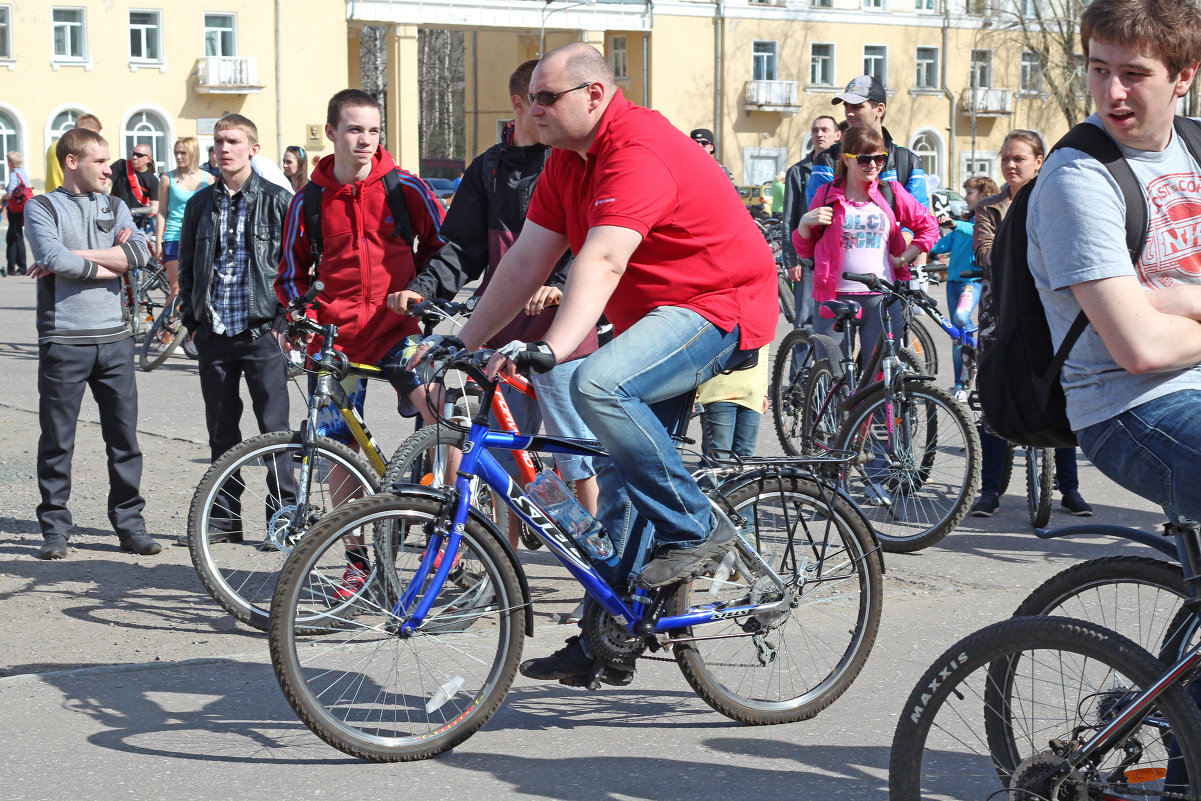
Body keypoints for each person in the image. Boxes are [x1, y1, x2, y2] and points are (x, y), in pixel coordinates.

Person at [447, 43, 776, 685]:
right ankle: (611, 636)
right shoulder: (568, 163)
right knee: (621, 481)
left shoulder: (636, 149)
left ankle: (693, 528)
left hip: (717, 304)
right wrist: (464, 345)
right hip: (657, 319)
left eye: (547, 98)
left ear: (593, 95)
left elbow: (601, 261)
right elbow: (523, 264)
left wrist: (555, 346)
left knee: (595, 383)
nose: (532, 109)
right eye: (531, 99)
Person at [395, 59, 602, 552]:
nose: (545, 111)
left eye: (551, 100)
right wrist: (422, 288)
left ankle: (598, 565)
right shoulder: (488, 168)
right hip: (501, 334)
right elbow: (461, 248)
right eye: (539, 101)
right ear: (520, 104)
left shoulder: (570, 162)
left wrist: (558, 283)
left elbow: (593, 242)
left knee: (576, 455)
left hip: (565, 333)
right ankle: (506, 568)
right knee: (503, 459)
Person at [1023, 0, 1201, 528]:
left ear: (1183, 77)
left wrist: (1183, 304)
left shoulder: (1195, 147)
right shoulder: (1079, 178)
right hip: (1134, 409)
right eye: (1100, 70)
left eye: (1134, 74)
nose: (1112, 93)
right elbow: (1140, 348)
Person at [277, 89, 446, 596]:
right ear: (331, 133)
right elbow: (290, 274)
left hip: (397, 333)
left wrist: (420, 292)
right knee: (338, 450)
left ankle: (447, 537)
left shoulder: (406, 188)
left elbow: (442, 249)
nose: (365, 140)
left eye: (373, 130)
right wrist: (302, 316)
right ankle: (358, 563)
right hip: (337, 341)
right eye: (354, 129)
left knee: (443, 415)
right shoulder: (308, 199)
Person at [23, 127, 159, 559]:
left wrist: (76, 257)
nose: (110, 169)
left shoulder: (115, 204)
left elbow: (140, 255)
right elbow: (52, 257)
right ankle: (55, 530)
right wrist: (107, 260)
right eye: (100, 162)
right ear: (71, 162)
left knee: (124, 439)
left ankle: (129, 526)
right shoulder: (41, 207)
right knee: (57, 439)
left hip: (115, 340)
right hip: (64, 339)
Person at [175, 114, 295, 547]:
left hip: (262, 332)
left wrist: (283, 324)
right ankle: (225, 520)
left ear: (253, 149)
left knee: (274, 433)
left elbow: (295, 267)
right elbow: (188, 267)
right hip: (214, 334)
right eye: (219, 141)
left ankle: (283, 520)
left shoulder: (279, 200)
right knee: (222, 432)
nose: (224, 148)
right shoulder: (199, 205)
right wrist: (193, 322)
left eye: (234, 141)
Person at [970, 129, 1092, 519]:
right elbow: (985, 254)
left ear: (1039, 162)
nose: (1010, 164)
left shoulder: (1053, 199)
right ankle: (990, 490)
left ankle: (1069, 489)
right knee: (994, 395)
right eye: (1005, 157)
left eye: (1019, 158)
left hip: (1046, 312)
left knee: (1058, 394)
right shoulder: (990, 207)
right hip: (999, 312)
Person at [793, 124, 938, 368]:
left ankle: (875, 408)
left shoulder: (891, 192)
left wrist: (903, 259)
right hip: (833, 298)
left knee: (880, 377)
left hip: (881, 298)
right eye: (864, 159)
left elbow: (929, 228)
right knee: (833, 373)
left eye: (879, 158)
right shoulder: (827, 194)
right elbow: (806, 252)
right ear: (846, 160)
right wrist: (804, 225)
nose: (873, 165)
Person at [805, 76, 928, 211]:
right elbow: (817, 216)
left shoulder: (908, 160)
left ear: (880, 110)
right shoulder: (827, 159)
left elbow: (920, 217)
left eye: (857, 107)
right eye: (846, 106)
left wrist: (905, 233)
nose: (849, 113)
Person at [928, 175, 998, 399]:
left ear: (984, 195)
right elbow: (942, 245)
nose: (965, 197)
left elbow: (974, 231)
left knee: (960, 317)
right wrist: (924, 243)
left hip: (972, 282)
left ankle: (978, 349)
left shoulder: (984, 221)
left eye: (969, 192)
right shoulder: (963, 223)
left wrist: (956, 224)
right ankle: (960, 384)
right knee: (957, 335)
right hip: (953, 283)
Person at [781, 114, 842, 360]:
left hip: (836, 257)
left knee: (834, 318)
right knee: (804, 320)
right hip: (806, 259)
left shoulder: (846, 167)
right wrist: (791, 260)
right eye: (815, 129)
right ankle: (801, 380)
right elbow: (789, 219)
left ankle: (826, 374)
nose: (820, 134)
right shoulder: (798, 171)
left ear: (838, 135)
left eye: (825, 129)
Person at [154, 137, 213, 301]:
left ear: (193, 154)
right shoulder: (167, 178)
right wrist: (159, 242)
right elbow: (161, 212)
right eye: (176, 153)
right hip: (174, 237)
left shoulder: (207, 179)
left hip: (198, 239)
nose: (179, 156)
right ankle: (162, 328)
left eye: (183, 153)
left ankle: (192, 327)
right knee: (177, 290)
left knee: (199, 290)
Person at [108, 143, 159, 238]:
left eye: (139, 155)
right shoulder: (121, 165)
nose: (134, 157)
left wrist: (133, 211)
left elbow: (155, 208)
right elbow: (106, 183)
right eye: (133, 154)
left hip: (134, 223)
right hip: (112, 217)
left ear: (148, 159)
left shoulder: (152, 180)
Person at [44, 113, 101, 195]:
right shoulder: (78, 150)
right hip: (72, 198)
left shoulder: (53, 146)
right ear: (92, 132)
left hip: (52, 198)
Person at [3, 151, 31, 277]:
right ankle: (20, 266)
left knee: (13, 237)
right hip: (21, 208)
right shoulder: (23, 174)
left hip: (14, 209)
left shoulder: (14, 174)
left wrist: (3, 198)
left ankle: (15, 267)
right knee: (17, 235)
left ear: (10, 163)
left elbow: (10, 191)